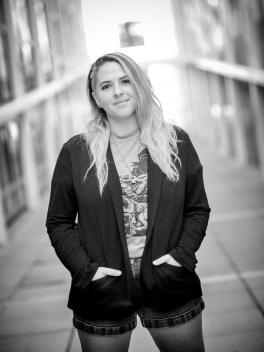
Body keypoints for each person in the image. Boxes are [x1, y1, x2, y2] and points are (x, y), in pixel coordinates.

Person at [46, 52, 210, 352]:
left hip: (168, 280)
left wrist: (182, 256)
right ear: (95, 96)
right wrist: (86, 271)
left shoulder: (175, 142)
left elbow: (197, 208)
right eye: (106, 86)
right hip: (102, 287)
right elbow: (58, 221)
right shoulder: (76, 152)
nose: (118, 91)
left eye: (125, 81)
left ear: (140, 85)